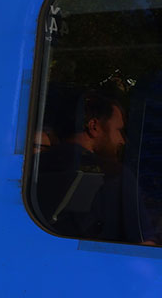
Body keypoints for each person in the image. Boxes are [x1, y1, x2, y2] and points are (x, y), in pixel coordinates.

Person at [34, 86, 141, 242]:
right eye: (119, 130)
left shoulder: (37, 163)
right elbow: (140, 242)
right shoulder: (115, 176)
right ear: (94, 127)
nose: (122, 140)